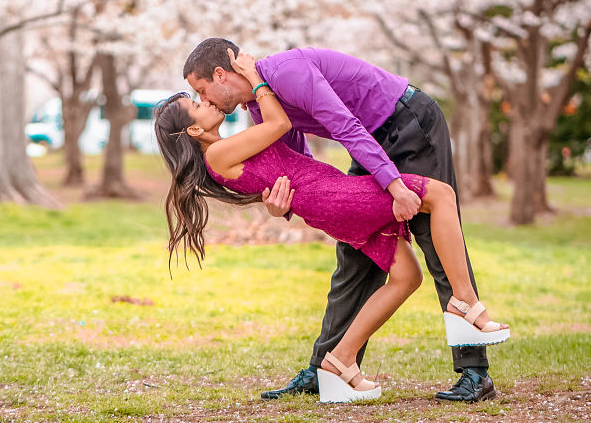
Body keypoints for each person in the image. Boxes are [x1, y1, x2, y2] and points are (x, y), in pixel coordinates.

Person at [180, 38, 498, 402]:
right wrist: (285, 205)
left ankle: (475, 370)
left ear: (220, 74)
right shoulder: (259, 103)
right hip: (370, 138)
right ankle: (326, 367)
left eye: (201, 90)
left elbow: (345, 126)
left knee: (432, 235)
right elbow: (296, 162)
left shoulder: (286, 73)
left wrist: (393, 185)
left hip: (406, 122)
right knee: (354, 258)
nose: (204, 99)